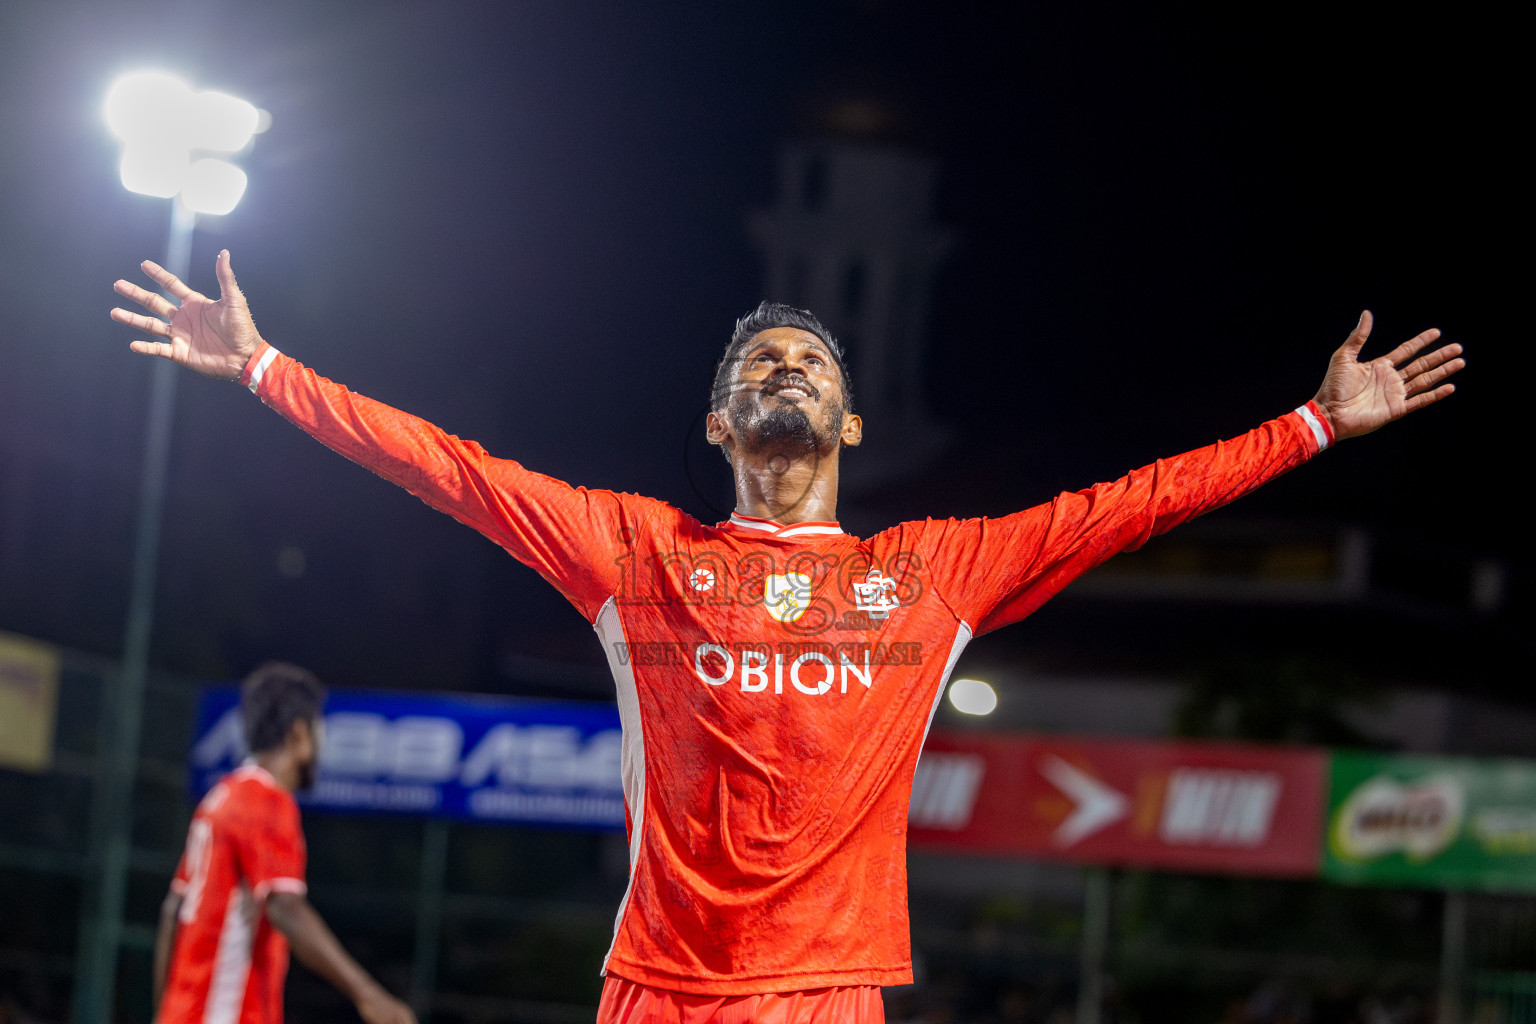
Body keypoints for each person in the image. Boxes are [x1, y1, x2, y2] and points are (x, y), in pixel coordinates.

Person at [114, 252, 1462, 1024]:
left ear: (852, 426)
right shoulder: (635, 554)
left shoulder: (930, 574)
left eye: (812, 363)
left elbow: (1133, 504)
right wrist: (266, 371)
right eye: (758, 363)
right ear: (717, 427)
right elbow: (451, 470)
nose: (787, 370)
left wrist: (1316, 427)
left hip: (826, 996)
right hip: (653, 987)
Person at [153, 661, 416, 1024]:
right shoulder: (267, 802)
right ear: (298, 735)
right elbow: (284, 907)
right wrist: (370, 996)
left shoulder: (220, 797)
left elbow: (173, 910)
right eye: (318, 730)